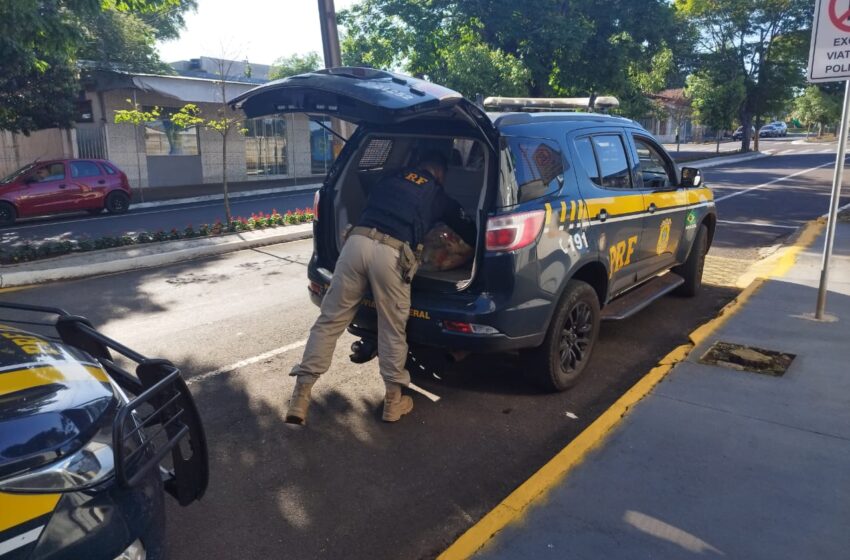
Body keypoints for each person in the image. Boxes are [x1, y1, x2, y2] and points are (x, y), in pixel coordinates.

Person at [285, 151, 474, 424]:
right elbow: (465, 228)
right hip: (392, 254)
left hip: (356, 243)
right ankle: (394, 403)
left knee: (330, 321)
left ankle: (299, 398)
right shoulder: (438, 193)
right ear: (441, 173)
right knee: (391, 328)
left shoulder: (388, 176)